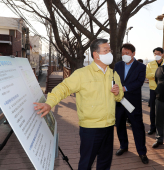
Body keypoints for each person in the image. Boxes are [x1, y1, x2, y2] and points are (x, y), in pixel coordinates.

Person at [34, 39, 124, 170]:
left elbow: (120, 95)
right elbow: (63, 88)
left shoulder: (113, 73)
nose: (109, 53)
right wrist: (49, 103)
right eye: (106, 50)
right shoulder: (82, 74)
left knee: (105, 163)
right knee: (86, 163)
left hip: (109, 126)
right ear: (96, 55)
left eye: (109, 50)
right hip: (90, 128)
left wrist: (118, 93)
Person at [114, 43, 148, 164]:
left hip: (133, 102)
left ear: (133, 53)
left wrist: (125, 88)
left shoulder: (141, 67)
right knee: (120, 124)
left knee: (137, 126)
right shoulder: (117, 65)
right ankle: (123, 146)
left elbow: (139, 82)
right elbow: (113, 80)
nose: (125, 55)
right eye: (123, 53)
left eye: (127, 53)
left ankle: (142, 152)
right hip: (119, 101)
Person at [146, 47, 164, 135]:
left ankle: (160, 129)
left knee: (162, 110)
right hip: (153, 89)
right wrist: (157, 73)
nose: (157, 55)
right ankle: (152, 127)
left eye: (159, 53)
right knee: (152, 109)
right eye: (155, 54)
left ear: (162, 54)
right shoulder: (150, 64)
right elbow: (148, 75)